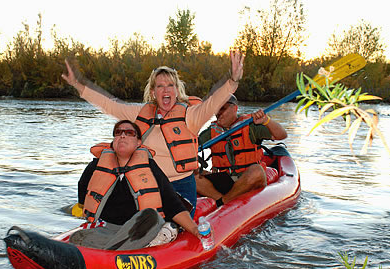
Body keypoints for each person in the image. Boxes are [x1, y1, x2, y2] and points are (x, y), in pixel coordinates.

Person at [61, 51, 244, 217]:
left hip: (180, 190)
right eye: (160, 86)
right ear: (153, 92)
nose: (166, 90)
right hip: (147, 185)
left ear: (177, 90)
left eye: (170, 85)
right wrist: (78, 85)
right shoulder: (140, 113)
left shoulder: (191, 116)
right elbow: (109, 105)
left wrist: (233, 81)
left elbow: (213, 102)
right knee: (102, 169)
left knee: (160, 225)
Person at [69, 120, 200, 250]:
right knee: (77, 237)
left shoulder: (150, 167)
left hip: (141, 228)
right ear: (113, 141)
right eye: (118, 132)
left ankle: (112, 252)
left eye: (129, 133)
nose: (122, 135)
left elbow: (173, 205)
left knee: (150, 216)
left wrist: (194, 229)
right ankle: (119, 248)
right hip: (109, 230)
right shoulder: (95, 166)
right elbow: (83, 201)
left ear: (138, 143)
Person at [196, 95, 287, 208]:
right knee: (192, 175)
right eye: (216, 109)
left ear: (234, 108)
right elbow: (193, 147)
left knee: (257, 171)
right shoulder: (212, 131)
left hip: (248, 180)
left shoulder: (251, 126)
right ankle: (221, 200)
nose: (218, 113)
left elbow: (282, 135)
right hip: (224, 180)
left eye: (222, 108)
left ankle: (223, 202)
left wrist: (266, 121)